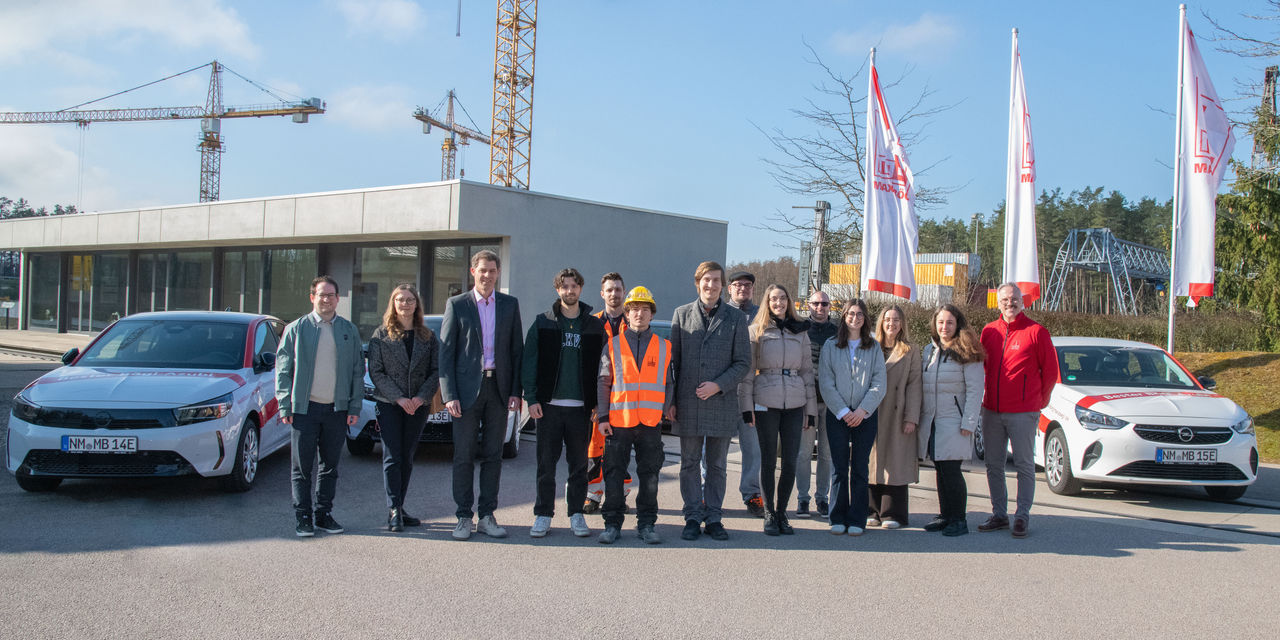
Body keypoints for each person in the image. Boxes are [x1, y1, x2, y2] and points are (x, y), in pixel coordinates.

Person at [439, 249, 524, 541]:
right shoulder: (457, 305)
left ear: (498, 273)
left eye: (492, 270)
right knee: (463, 455)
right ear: (472, 272)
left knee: (493, 455)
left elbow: (516, 351)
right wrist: (448, 393)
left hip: (498, 391)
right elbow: (446, 353)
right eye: (482, 270)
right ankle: (463, 515)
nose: (487, 275)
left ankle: (487, 515)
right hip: (465, 392)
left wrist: (516, 391)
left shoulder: (510, 305)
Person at [276, 276, 365, 538]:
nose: (326, 299)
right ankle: (303, 516)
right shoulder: (297, 329)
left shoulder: (348, 330)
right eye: (321, 295)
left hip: (336, 410)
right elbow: (282, 370)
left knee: (330, 466)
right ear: (312, 297)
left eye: (331, 295)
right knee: (302, 467)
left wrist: (354, 407)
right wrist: (284, 405)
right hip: (304, 409)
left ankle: (323, 513)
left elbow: (357, 373)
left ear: (338, 299)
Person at [670, 261, 751, 542]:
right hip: (689, 402)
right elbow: (674, 365)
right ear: (697, 283)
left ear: (723, 286)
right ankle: (692, 516)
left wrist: (719, 385)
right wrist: (672, 401)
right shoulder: (681, 315)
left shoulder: (736, 318)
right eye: (706, 280)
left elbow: (743, 363)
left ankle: (714, 517)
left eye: (716, 280)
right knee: (689, 463)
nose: (711, 285)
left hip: (722, 402)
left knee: (717, 465)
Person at [521, 268, 606, 538]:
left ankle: (577, 515)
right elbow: (529, 362)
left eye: (574, 286)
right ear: (557, 290)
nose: (570, 291)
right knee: (546, 466)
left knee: (579, 466)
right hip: (549, 407)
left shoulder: (594, 325)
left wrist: (597, 404)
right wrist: (531, 398)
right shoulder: (543, 322)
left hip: (581, 409)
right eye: (564, 286)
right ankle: (543, 515)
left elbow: (603, 368)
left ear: (581, 288)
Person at [979, 282, 1059, 539]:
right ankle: (999, 514)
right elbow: (981, 368)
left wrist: (1039, 401)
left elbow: (1050, 372)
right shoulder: (989, 331)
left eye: (1013, 299)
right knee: (993, 464)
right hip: (991, 410)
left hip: (1023, 412)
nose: (1009, 303)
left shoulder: (1036, 332)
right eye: (1004, 300)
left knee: (1024, 465)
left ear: (1022, 301)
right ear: (998, 302)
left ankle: (1022, 515)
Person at [596, 286, 675, 544]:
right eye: (634, 309)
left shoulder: (665, 346)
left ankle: (647, 524)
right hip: (619, 422)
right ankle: (612, 524)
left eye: (644, 309)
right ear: (627, 314)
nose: (639, 314)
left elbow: (669, 383)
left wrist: (665, 412)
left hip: (651, 423)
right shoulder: (613, 344)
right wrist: (603, 417)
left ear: (651, 314)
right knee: (614, 474)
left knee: (650, 476)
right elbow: (603, 381)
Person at [738, 284, 816, 535]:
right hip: (765, 401)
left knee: (791, 462)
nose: (779, 303)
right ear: (767, 302)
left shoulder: (800, 332)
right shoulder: (756, 331)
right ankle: (769, 513)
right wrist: (746, 407)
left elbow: (807, 373)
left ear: (789, 302)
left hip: (795, 402)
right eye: (774, 299)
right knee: (768, 461)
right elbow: (747, 374)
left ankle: (783, 512)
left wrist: (810, 411)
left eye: (783, 298)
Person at [366, 284, 439, 533]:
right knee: (392, 456)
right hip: (390, 404)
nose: (405, 304)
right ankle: (393, 508)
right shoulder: (380, 335)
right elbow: (376, 372)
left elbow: (436, 371)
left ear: (417, 304)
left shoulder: (427, 337)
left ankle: (401, 506)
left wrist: (420, 397)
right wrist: (398, 398)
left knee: (407, 457)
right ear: (393, 303)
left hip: (417, 405)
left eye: (410, 300)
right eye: (400, 299)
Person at [817, 298, 886, 537]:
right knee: (838, 467)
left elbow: (879, 383)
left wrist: (862, 411)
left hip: (865, 416)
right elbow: (825, 382)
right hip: (838, 415)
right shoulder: (830, 345)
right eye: (850, 314)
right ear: (844, 317)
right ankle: (837, 516)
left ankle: (857, 518)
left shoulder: (873, 346)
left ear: (865, 318)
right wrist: (844, 412)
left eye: (859, 314)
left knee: (859, 467)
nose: (855, 318)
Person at [918, 304, 985, 537]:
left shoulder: (968, 350)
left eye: (949, 322)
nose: (944, 327)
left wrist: (969, 422)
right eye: (940, 322)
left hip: (954, 421)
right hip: (933, 420)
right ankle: (945, 515)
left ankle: (959, 519)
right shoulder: (930, 351)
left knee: (951, 470)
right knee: (940, 468)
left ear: (958, 325)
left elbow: (976, 390)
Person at [866, 305, 922, 529]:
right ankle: (871, 510)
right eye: (888, 319)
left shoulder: (910, 350)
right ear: (881, 322)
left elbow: (915, 385)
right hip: (871, 410)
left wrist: (912, 417)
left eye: (896, 319)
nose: (892, 323)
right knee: (871, 459)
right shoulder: (869, 347)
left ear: (902, 323)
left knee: (896, 460)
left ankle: (893, 514)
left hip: (898, 413)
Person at [584, 272, 632, 513]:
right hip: (598, 398)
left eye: (618, 290)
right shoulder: (591, 323)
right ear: (602, 293)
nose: (614, 294)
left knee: (621, 448)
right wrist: (593, 403)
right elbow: (587, 365)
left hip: (625, 398)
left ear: (624, 293)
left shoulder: (633, 323)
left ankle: (620, 495)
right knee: (595, 448)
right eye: (610, 290)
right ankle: (593, 494)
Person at [726, 270, 765, 518]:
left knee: (753, 448)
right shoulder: (720, 312)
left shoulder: (762, 315)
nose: (743, 288)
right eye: (738, 284)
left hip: (752, 393)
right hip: (724, 391)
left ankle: (752, 494)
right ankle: (708, 494)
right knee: (714, 449)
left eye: (748, 285)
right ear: (729, 288)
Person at [797, 291, 837, 519]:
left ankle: (822, 498)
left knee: (826, 454)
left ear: (829, 306)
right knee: (803, 453)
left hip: (831, 403)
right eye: (816, 303)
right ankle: (803, 499)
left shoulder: (838, 332)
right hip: (806, 402)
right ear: (808, 305)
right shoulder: (800, 329)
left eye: (824, 304)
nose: (820, 307)